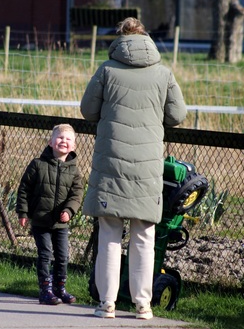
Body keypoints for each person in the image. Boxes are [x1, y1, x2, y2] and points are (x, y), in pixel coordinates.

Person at [80, 17, 187, 320]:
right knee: (144, 237)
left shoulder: (107, 69)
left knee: (110, 235)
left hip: (111, 162)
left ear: (120, 38)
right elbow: (178, 114)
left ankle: (106, 304)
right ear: (146, 38)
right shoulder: (163, 73)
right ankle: (143, 304)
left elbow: (88, 110)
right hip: (147, 167)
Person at [16, 124, 84, 305]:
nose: (64, 141)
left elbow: (77, 195)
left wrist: (69, 211)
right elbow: (24, 189)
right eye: (60, 138)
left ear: (74, 146)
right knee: (45, 254)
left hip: (61, 224)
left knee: (63, 257)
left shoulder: (74, 171)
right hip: (40, 220)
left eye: (68, 139)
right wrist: (23, 212)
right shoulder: (38, 165)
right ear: (51, 142)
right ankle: (45, 290)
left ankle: (59, 287)